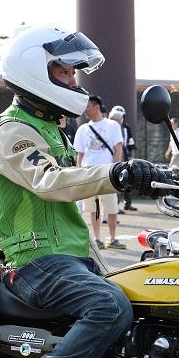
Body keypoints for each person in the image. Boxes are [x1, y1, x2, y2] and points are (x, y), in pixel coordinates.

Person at [0, 25, 170, 358]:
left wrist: (165, 177)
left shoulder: (53, 129)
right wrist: (114, 173)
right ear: (35, 71)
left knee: (154, 308)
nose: (75, 83)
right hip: (34, 260)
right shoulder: (11, 130)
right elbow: (48, 181)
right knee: (107, 306)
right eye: (66, 73)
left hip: (73, 257)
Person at [73, 94, 126, 249]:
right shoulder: (83, 129)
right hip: (89, 172)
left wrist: (116, 169)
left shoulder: (112, 126)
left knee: (111, 207)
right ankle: (97, 239)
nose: (85, 111)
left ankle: (113, 238)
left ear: (96, 107)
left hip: (107, 172)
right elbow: (80, 154)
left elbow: (118, 148)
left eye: (87, 107)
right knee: (93, 208)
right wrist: (78, 172)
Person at [109, 104, 138, 211]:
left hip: (124, 156)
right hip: (111, 156)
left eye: (120, 117)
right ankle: (115, 206)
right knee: (114, 180)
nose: (118, 120)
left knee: (127, 181)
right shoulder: (109, 127)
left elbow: (131, 145)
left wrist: (132, 159)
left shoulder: (126, 128)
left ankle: (127, 203)